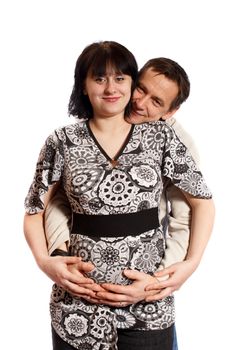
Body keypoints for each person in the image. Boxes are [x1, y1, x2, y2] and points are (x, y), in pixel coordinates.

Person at [24, 41, 215, 350]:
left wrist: (187, 266)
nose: (112, 88)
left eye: (120, 78)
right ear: (83, 86)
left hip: (147, 305)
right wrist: (46, 261)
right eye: (99, 78)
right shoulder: (62, 141)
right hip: (78, 308)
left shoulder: (163, 135)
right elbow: (37, 208)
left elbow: (199, 203)